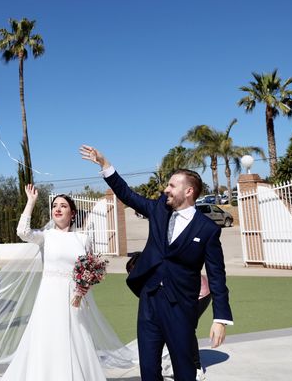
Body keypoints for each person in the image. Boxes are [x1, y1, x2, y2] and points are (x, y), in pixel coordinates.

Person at [80, 145, 233, 381]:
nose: (166, 189)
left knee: (184, 370)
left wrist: (220, 318)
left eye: (172, 186)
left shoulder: (208, 229)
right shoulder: (159, 209)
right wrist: (105, 165)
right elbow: (127, 195)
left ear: (189, 191)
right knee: (149, 371)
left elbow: (216, 275)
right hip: (149, 302)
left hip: (181, 307)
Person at [1, 184, 123, 380]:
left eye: (63, 206)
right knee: (48, 338)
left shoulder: (83, 238)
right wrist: (31, 202)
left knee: (76, 339)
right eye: (55, 205)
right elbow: (22, 232)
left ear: (73, 213)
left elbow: (92, 269)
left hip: (75, 299)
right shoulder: (45, 236)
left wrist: (83, 287)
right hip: (49, 297)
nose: (57, 209)